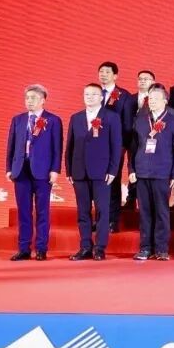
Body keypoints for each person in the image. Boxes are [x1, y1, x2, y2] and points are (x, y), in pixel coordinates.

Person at [6, 84, 63, 261]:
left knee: (42, 211)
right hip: (21, 171)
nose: (29, 101)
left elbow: (57, 148)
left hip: (43, 172)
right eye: (27, 98)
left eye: (34, 98)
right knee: (23, 211)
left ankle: (41, 248)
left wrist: (55, 170)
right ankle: (24, 248)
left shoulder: (53, 120)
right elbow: (11, 146)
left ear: (43, 100)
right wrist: (9, 168)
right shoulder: (18, 120)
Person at [66, 83, 121, 261]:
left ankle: (100, 247)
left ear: (101, 97)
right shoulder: (76, 118)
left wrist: (113, 170)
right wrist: (69, 170)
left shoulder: (111, 117)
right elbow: (70, 146)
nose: (89, 97)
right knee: (83, 211)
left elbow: (116, 146)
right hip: (79, 172)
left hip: (102, 172)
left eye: (93, 94)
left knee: (102, 211)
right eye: (86, 94)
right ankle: (85, 247)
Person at [128, 84, 174, 261]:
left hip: (162, 173)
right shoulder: (140, 120)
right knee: (145, 212)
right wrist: (131, 169)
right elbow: (133, 148)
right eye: (150, 99)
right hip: (142, 172)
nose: (152, 102)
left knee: (161, 212)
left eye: (156, 99)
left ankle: (161, 248)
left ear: (165, 101)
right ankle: (145, 248)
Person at [97, 61, 132, 232]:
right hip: (96, 146)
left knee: (113, 180)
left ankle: (112, 220)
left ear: (115, 76)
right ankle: (99, 219)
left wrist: (123, 145)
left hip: (116, 146)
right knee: (97, 182)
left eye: (107, 72)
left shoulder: (124, 96)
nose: (103, 75)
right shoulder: (94, 93)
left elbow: (127, 124)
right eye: (101, 72)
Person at [125, 69, 156, 211]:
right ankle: (131, 198)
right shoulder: (129, 99)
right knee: (132, 166)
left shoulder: (157, 99)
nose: (142, 81)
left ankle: (149, 199)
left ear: (153, 82)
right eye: (140, 79)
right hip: (133, 138)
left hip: (151, 139)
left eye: (146, 79)